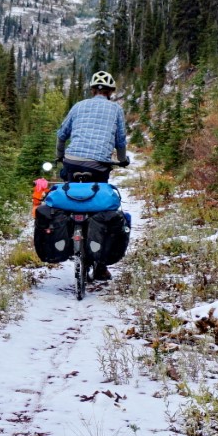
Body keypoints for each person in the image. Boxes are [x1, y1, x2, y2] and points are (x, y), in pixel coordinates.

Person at [55, 70, 129, 281]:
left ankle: (69, 238)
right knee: (101, 208)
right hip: (98, 166)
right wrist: (122, 159)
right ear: (110, 92)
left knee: (70, 198)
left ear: (92, 90)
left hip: (72, 162)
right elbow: (120, 140)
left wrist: (60, 156)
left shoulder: (79, 106)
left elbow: (62, 135)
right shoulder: (115, 109)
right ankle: (100, 266)